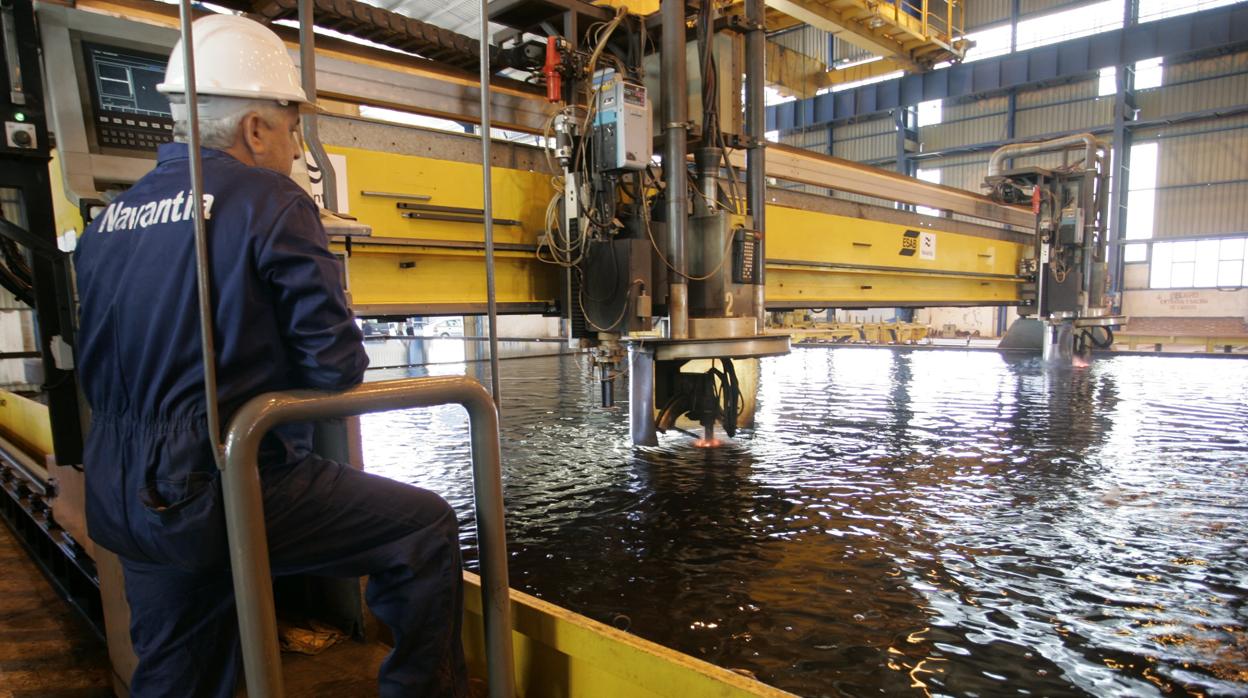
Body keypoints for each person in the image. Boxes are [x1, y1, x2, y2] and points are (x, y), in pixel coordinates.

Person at [72, 14, 467, 697]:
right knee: (424, 528)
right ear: (256, 128)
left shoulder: (111, 219)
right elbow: (334, 364)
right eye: (292, 128)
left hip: (122, 489)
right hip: (221, 480)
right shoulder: (269, 199)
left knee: (182, 669)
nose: (295, 148)